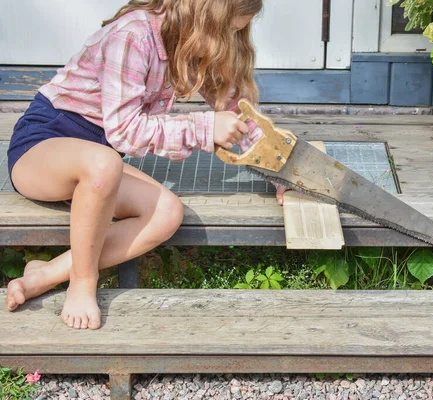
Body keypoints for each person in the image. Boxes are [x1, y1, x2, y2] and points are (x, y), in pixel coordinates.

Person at [4, 0, 285, 330]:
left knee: (167, 213)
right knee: (104, 161)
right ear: (208, 17)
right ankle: (82, 282)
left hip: (99, 164)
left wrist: (274, 163)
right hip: (42, 149)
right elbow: (123, 132)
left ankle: (46, 274)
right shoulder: (133, 35)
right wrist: (206, 128)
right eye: (228, 30)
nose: (229, 40)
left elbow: (232, 103)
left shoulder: (187, 39)